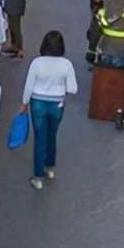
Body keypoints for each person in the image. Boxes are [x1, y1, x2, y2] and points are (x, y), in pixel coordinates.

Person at [19, 31, 78, 190]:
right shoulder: (66, 64)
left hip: (37, 102)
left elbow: (29, 86)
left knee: (39, 138)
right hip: (57, 104)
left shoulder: (37, 62)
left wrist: (24, 104)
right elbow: (73, 89)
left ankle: (38, 178)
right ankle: (50, 168)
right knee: (52, 136)